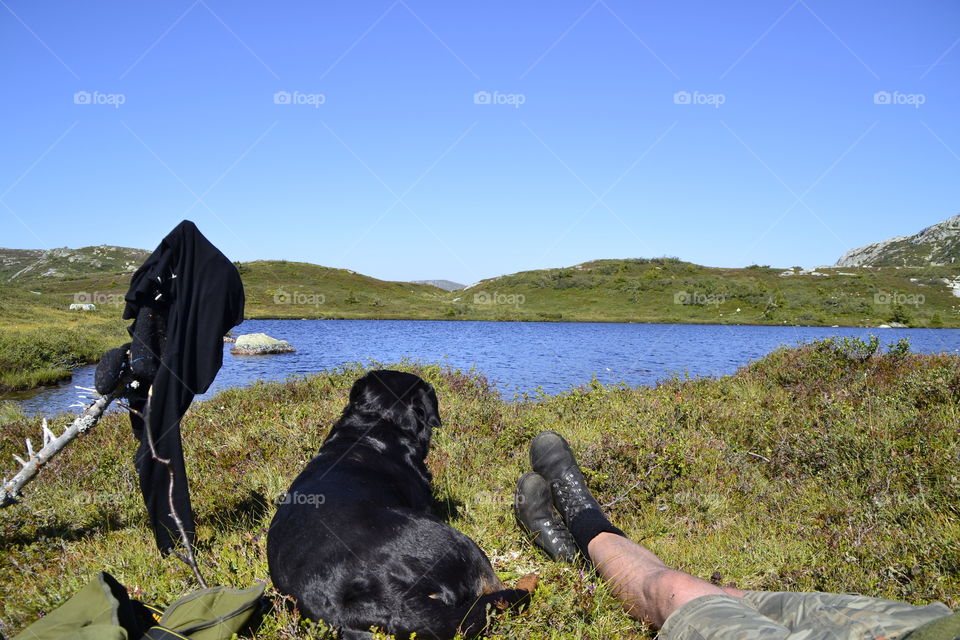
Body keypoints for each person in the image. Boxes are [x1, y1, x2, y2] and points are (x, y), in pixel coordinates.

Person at [514, 431, 957, 640]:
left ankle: (585, 522)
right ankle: (580, 559)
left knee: (676, 590)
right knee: (738, 599)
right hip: (923, 624)